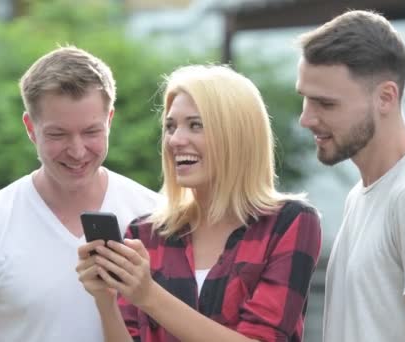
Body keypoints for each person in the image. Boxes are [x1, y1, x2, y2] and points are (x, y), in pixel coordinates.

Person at [0, 46, 162, 342]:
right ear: (30, 128)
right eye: (57, 134)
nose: (76, 151)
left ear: (110, 120)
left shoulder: (156, 216)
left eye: (91, 132)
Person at [76, 65, 322, 341]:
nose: (175, 140)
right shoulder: (146, 233)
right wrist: (105, 300)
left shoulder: (290, 222)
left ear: (236, 134)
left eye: (196, 125)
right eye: (170, 126)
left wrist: (148, 295)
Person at [295, 9, 405, 342]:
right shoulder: (362, 195)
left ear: (386, 97)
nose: (306, 119)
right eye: (305, 99)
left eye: (325, 103)